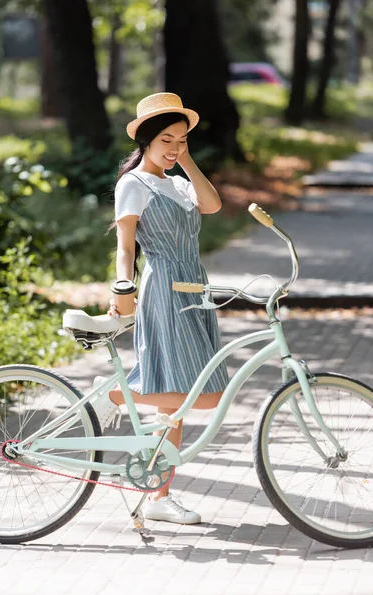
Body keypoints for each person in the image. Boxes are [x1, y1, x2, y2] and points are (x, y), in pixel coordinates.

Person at [104, 92, 229, 525]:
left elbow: (212, 205)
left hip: (196, 287)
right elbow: (125, 248)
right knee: (185, 395)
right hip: (162, 288)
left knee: (197, 397)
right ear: (146, 142)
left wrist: (187, 161)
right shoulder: (132, 184)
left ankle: (158, 495)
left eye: (181, 140)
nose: (174, 148)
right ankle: (117, 394)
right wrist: (124, 286)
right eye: (166, 141)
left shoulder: (179, 182)